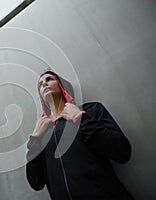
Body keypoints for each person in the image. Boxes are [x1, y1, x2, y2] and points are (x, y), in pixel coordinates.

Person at [26, 70, 134, 200]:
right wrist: (35, 141)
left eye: (49, 79)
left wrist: (80, 118)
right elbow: (36, 182)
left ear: (61, 85)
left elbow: (122, 151)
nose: (44, 84)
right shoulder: (42, 134)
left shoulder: (91, 110)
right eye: (40, 84)